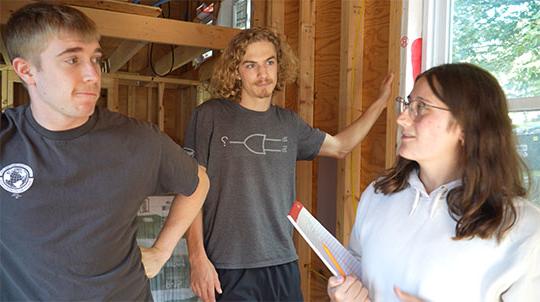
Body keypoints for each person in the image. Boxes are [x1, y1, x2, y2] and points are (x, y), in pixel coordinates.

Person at [0, 3, 209, 300]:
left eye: (95, 59)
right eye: (72, 59)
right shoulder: (6, 139)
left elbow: (199, 181)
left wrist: (161, 252)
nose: (92, 74)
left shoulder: (136, 139)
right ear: (27, 71)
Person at [184, 26, 393, 302]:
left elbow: (341, 147)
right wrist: (197, 258)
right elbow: (189, 191)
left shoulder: (289, 124)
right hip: (228, 265)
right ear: (236, 71)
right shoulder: (209, 116)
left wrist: (380, 104)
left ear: (279, 66)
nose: (263, 74)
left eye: (270, 62)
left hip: (283, 262)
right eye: (251, 65)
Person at [327, 63, 540, 302]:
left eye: (421, 107)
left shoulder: (523, 227)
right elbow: (356, 265)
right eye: (408, 104)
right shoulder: (377, 195)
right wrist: (343, 294)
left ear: (467, 126)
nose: (402, 118)